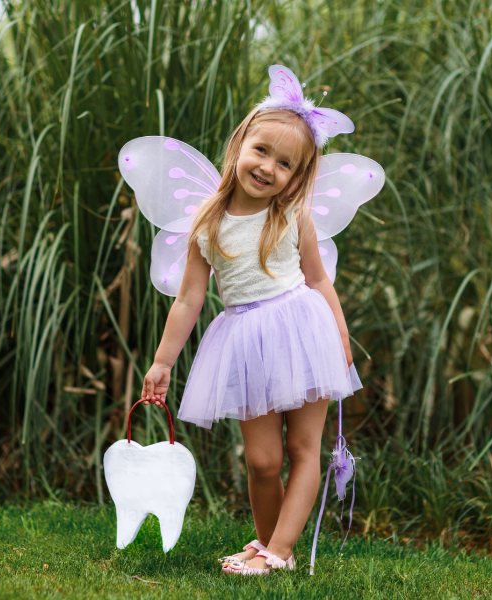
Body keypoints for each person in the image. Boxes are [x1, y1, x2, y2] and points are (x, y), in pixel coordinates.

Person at [128, 65, 378, 575]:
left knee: (305, 448)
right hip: (244, 341)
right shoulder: (208, 221)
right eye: (261, 151)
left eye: (285, 164)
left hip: (305, 332)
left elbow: (318, 280)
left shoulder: (292, 216)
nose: (268, 168)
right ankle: (267, 545)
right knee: (262, 460)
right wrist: (162, 363)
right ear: (240, 144)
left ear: (298, 176)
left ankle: (278, 552)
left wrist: (340, 334)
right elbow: (188, 300)